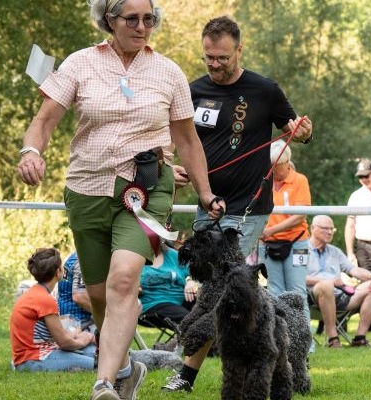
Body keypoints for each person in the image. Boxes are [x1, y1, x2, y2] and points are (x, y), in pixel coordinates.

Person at [16, 1, 224, 399]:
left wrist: (205, 191)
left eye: (149, 19)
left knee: (125, 279)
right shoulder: (80, 64)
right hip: (87, 187)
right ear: (109, 19)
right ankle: (127, 368)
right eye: (132, 18)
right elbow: (44, 121)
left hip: (147, 189)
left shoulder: (168, 72)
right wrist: (32, 153)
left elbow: (186, 140)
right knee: (98, 294)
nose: (142, 26)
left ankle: (104, 383)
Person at [164, 16, 313, 393]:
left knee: (221, 286)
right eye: (208, 57)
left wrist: (303, 131)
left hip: (248, 207)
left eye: (222, 58)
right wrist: (172, 167)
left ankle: (186, 372)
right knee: (209, 285)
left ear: (239, 50)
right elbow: (175, 141)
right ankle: (276, 352)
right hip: (206, 203)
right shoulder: (192, 90)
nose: (214, 64)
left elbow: (294, 129)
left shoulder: (264, 90)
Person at [10, 248, 96, 372]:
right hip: (33, 359)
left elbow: (59, 334)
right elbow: (65, 343)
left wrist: (79, 336)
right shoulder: (45, 300)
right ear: (58, 272)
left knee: (91, 353)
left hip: (33, 355)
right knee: (96, 362)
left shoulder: (35, 293)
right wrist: (85, 339)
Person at [258, 140, 311, 329]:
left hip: (297, 243)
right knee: (274, 292)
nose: (274, 170)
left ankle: (305, 343)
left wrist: (272, 230)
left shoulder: (300, 180)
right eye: (271, 166)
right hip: (267, 245)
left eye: (277, 167)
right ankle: (280, 337)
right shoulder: (265, 181)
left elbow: (300, 215)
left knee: (297, 292)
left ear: (287, 163)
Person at [307, 215, 371, 348]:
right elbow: (297, 277)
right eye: (325, 228)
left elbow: (354, 270)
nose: (330, 232)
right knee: (326, 285)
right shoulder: (301, 249)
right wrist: (329, 281)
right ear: (313, 228)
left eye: (332, 229)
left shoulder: (335, 251)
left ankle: (359, 338)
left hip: (341, 296)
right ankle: (333, 339)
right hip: (312, 298)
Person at [139, 241, 197, 325]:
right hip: (153, 305)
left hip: (183, 299)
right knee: (190, 320)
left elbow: (195, 271)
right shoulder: (135, 259)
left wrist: (190, 281)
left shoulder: (173, 255)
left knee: (209, 310)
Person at [345, 158, 371, 273]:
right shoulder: (355, 197)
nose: (364, 180)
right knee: (366, 285)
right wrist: (350, 253)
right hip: (363, 247)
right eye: (360, 177)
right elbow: (350, 225)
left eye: (366, 176)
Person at [58, 252, 96, 333]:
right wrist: (105, 315)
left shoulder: (77, 255)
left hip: (70, 322)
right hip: (80, 325)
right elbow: (79, 297)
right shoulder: (83, 260)